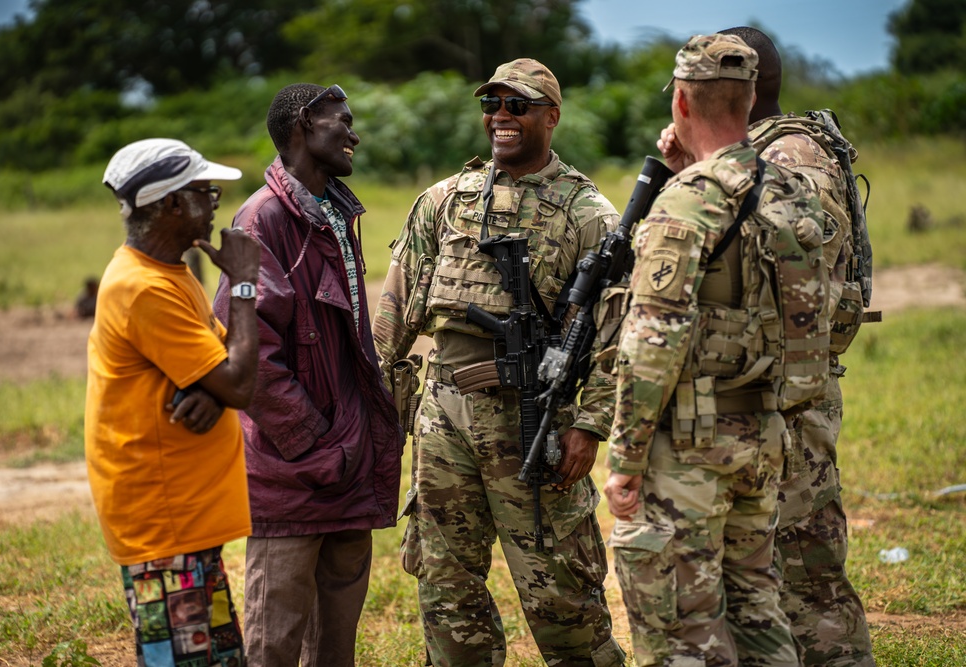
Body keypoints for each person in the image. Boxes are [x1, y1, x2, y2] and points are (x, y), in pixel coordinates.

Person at [373, 58, 627, 667]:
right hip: (444, 418)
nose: (501, 117)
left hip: (532, 424)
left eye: (518, 105)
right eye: (492, 104)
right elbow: (397, 305)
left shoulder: (588, 214)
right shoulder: (443, 200)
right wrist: (376, 391)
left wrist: (589, 425)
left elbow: (618, 334)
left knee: (562, 592)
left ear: (552, 116)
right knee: (445, 585)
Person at [605, 34, 815, 666]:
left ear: (681, 102)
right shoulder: (792, 192)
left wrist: (625, 456)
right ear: (751, 101)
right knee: (756, 606)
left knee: (681, 626)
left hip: (691, 446)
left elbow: (652, 339)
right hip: (765, 433)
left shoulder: (688, 201)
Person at [212, 83, 403, 667]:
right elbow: (252, 355)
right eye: (340, 122)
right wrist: (314, 444)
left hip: (345, 462)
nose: (354, 134)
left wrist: (349, 445)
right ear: (302, 126)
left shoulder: (339, 211)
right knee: (275, 640)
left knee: (336, 645)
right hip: (295, 473)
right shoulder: (262, 219)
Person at [719, 25, 876, 666]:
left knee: (806, 566)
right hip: (754, 390)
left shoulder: (789, 158)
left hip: (790, 394)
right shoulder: (751, 151)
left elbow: (800, 281)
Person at [86, 138, 261, 667]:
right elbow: (238, 382)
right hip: (163, 519)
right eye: (205, 192)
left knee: (211, 658)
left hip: (184, 512)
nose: (214, 204)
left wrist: (216, 389)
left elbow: (220, 370)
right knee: (183, 660)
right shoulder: (144, 288)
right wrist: (245, 284)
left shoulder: (170, 273)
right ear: (171, 206)